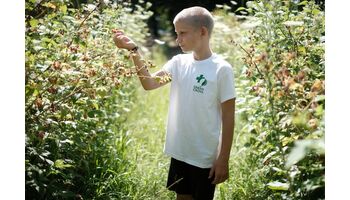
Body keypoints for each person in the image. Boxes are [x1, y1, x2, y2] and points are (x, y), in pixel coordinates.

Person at [113, 6, 236, 200]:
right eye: (176, 33)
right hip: (180, 152)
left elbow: (229, 117)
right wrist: (133, 50)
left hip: (204, 158)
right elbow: (149, 83)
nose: (178, 39)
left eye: (183, 33)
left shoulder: (221, 69)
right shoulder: (178, 63)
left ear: (203, 31)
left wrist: (223, 159)